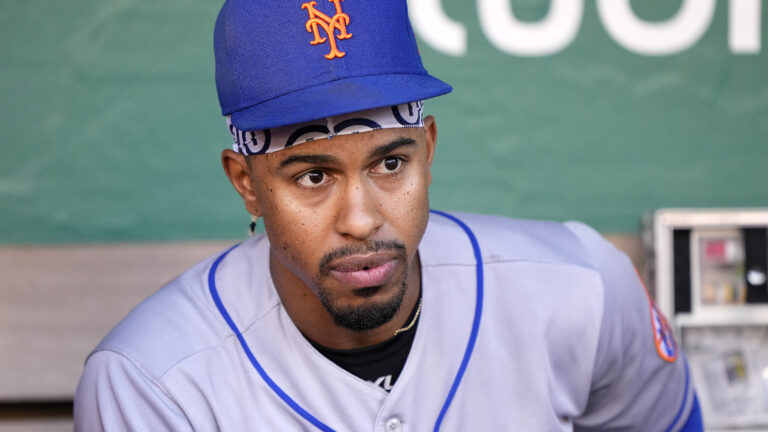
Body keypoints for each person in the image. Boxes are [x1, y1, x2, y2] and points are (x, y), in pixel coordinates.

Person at [74, 0, 703, 430]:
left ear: (427, 149)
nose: (361, 218)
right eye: (313, 176)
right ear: (247, 184)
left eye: (390, 164)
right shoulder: (152, 381)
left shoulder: (581, 288)